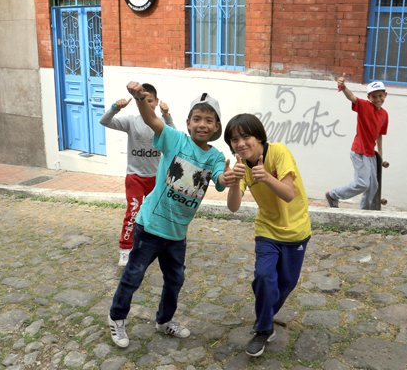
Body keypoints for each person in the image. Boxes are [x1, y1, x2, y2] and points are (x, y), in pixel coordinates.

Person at [107, 82, 229, 348]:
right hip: (149, 227)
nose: (202, 124)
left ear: (217, 127)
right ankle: (116, 317)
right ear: (187, 122)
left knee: (175, 280)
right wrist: (140, 98)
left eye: (209, 120)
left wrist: (228, 177)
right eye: (197, 118)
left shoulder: (216, 157)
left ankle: (164, 321)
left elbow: (220, 179)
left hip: (177, 233)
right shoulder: (174, 139)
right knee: (133, 275)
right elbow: (151, 118)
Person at [222, 113, 311, 357]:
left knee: (286, 283)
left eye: (245, 136)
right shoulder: (242, 167)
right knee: (263, 276)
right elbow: (233, 207)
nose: (240, 143)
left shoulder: (279, 152)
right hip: (267, 230)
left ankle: (265, 308)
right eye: (234, 139)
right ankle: (263, 329)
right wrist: (233, 182)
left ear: (259, 137)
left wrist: (266, 176)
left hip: (296, 230)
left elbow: (288, 194)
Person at [99, 83, 174, 266]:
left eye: (150, 100)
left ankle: (153, 245)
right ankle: (125, 249)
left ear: (156, 102)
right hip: (134, 176)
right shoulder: (131, 121)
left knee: (155, 213)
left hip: (155, 178)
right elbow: (104, 121)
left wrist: (167, 116)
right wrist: (115, 108)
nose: (147, 104)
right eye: (143, 100)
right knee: (133, 211)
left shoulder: (161, 124)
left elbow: (175, 138)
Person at [325, 75, 389, 209]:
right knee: (363, 183)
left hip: (371, 154)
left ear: (385, 95)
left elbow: (379, 136)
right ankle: (333, 195)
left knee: (373, 186)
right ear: (369, 98)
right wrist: (343, 87)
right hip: (359, 151)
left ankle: (364, 212)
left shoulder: (384, 114)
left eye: (380, 96)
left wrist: (380, 154)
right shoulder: (365, 107)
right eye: (374, 96)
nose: (378, 99)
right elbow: (352, 97)